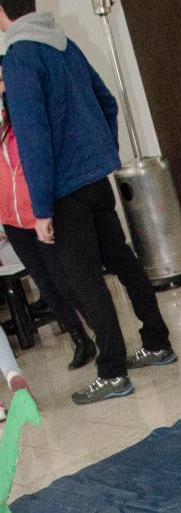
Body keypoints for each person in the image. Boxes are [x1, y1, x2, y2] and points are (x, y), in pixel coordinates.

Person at [0, 0, 177, 405]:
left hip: (63, 190)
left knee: (85, 282)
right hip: (95, 178)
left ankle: (112, 371)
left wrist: (40, 210)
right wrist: (100, 153)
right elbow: (107, 101)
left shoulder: (19, 56)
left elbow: (34, 138)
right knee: (123, 261)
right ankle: (157, 342)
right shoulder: (62, 43)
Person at [2, 55, 95, 373]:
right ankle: (80, 339)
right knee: (47, 285)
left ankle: (103, 333)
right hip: (12, 220)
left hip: (40, 213)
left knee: (67, 281)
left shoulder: (26, 124)